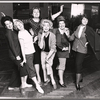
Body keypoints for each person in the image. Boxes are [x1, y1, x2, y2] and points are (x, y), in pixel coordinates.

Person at [21, 6, 64, 85]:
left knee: (47, 63)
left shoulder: (43, 21)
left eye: (38, 12)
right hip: (36, 42)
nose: (36, 13)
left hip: (45, 42)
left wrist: (60, 11)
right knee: (37, 61)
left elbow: (52, 17)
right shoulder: (30, 20)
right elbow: (20, 22)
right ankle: (39, 77)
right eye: (35, 12)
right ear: (32, 13)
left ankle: (49, 78)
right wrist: (9, 20)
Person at [66, 14, 100, 90]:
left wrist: (89, 42)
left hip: (82, 50)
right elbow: (71, 38)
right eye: (83, 19)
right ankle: (80, 77)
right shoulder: (77, 27)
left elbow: (96, 38)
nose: (85, 21)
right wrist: (67, 34)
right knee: (77, 64)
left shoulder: (89, 29)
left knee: (78, 64)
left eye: (86, 20)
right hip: (74, 49)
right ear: (80, 20)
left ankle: (77, 83)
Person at [0, 15, 32, 92]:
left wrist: (6, 17)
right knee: (22, 68)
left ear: (12, 22)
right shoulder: (8, 33)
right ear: (5, 26)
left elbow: (17, 22)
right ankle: (23, 84)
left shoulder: (13, 30)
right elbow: (11, 45)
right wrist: (17, 55)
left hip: (17, 54)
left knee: (15, 70)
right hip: (15, 55)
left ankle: (11, 86)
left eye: (9, 23)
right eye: (6, 24)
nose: (9, 25)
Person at [13, 19, 44, 94]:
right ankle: (37, 85)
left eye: (19, 23)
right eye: (17, 25)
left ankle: (24, 84)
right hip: (27, 54)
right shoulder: (20, 34)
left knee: (29, 69)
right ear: (16, 28)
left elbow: (29, 42)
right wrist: (24, 58)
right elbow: (22, 47)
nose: (19, 25)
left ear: (22, 23)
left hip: (31, 52)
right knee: (31, 69)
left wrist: (33, 38)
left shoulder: (26, 31)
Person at [38, 19, 57, 89]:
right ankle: (46, 79)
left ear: (50, 27)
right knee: (43, 67)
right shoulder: (40, 35)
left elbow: (53, 48)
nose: (46, 27)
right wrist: (42, 37)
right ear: (42, 27)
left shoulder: (52, 35)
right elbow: (40, 47)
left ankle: (52, 80)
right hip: (43, 52)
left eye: (47, 26)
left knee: (48, 65)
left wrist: (47, 57)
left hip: (51, 52)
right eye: (44, 25)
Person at [54, 16, 70, 87]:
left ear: (65, 24)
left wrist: (67, 34)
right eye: (60, 24)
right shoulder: (58, 31)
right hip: (61, 51)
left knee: (62, 64)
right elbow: (58, 43)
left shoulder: (67, 30)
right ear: (58, 25)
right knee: (62, 66)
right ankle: (61, 81)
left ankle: (58, 71)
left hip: (66, 51)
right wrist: (63, 48)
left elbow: (70, 39)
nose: (61, 25)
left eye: (63, 23)